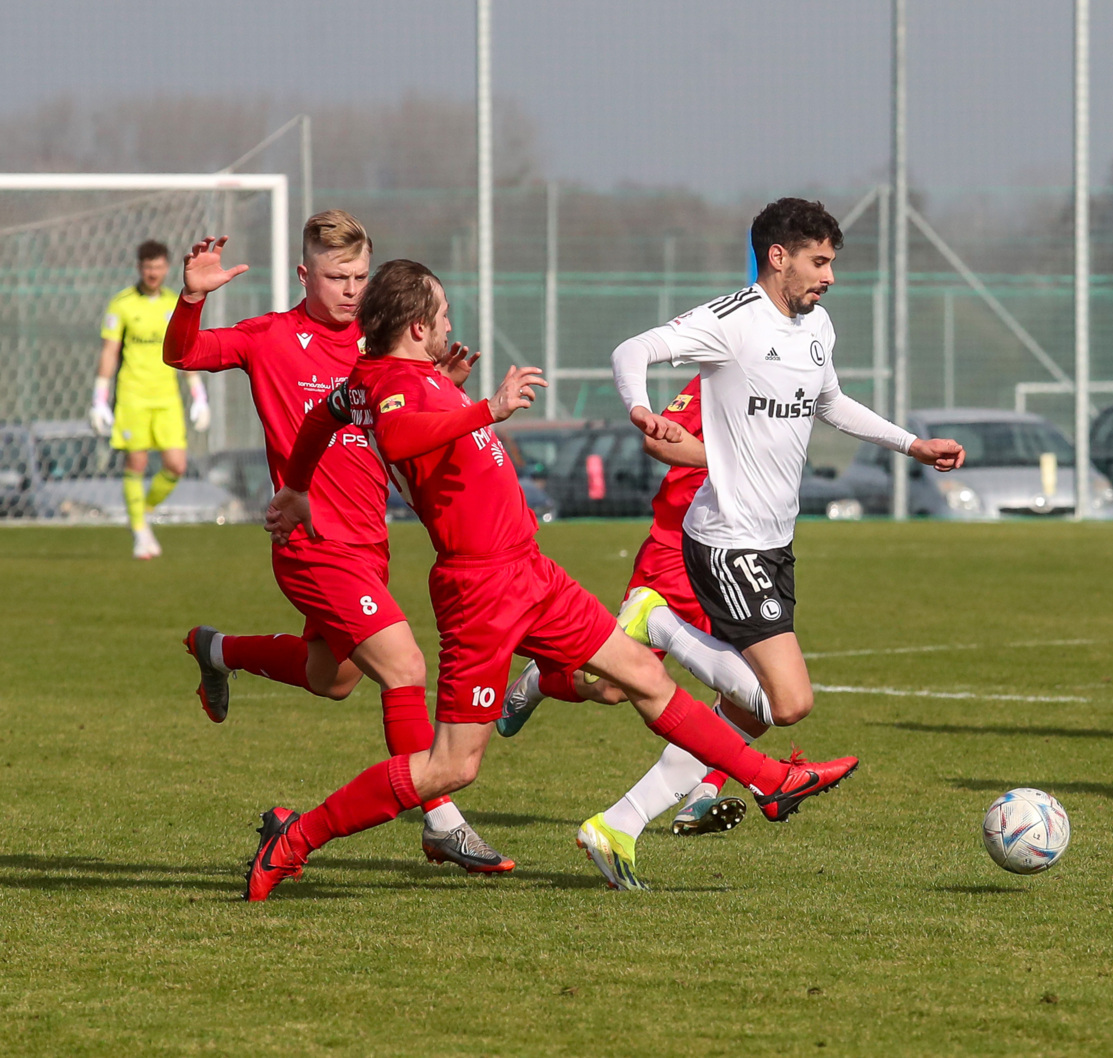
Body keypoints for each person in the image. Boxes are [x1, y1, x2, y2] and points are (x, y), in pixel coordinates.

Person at [249, 259, 858, 901]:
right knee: (450, 767)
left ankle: (768, 781)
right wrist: (488, 406)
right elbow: (398, 436)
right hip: (480, 588)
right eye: (445, 313)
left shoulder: (389, 377)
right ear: (419, 326)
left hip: (530, 572)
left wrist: (293, 486)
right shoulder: (396, 384)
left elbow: (322, 418)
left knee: (644, 675)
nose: (452, 323)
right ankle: (294, 838)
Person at [592, 197, 964, 888]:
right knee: (788, 703)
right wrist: (639, 405)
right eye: (819, 262)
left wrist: (912, 444)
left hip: (773, 543)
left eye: (832, 263)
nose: (829, 277)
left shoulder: (816, 326)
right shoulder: (731, 321)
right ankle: (659, 622)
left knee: (744, 720)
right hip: (725, 539)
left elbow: (831, 403)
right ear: (779, 256)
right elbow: (631, 349)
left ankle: (618, 824)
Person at [163, 212, 510, 873]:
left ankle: (217, 649)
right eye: (336, 277)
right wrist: (191, 299)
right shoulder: (269, 338)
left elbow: (398, 421)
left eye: (359, 276)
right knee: (405, 668)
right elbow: (181, 355)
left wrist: (447, 392)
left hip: (369, 545)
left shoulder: (377, 347)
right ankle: (439, 819)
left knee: (334, 678)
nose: (351, 290)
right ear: (304, 274)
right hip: (310, 542)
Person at [496, 374, 776, 890]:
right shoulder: (720, 373)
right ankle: (541, 680)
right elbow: (658, 438)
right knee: (611, 685)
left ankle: (700, 794)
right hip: (679, 550)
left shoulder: (797, 380)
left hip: (746, 557)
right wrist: (735, 462)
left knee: (762, 693)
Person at [92, 240, 210, 559]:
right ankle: (140, 532)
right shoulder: (122, 304)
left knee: (176, 464)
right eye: (147, 267)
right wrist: (99, 398)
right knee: (137, 462)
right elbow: (109, 352)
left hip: (167, 397)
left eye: (158, 266)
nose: (152, 272)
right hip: (133, 396)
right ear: (139, 268)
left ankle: (141, 512)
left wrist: (199, 396)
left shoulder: (175, 303)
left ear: (167, 267)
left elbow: (185, 351)